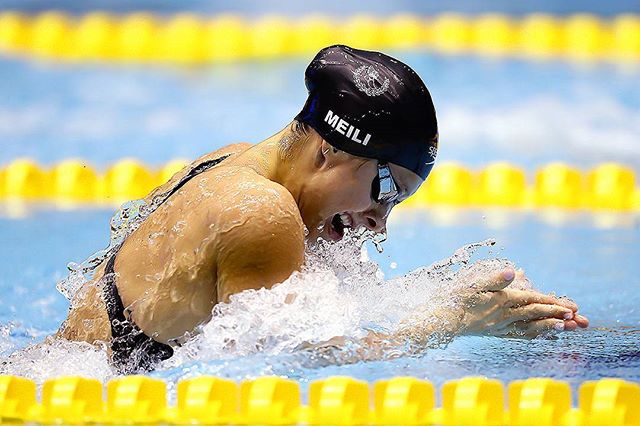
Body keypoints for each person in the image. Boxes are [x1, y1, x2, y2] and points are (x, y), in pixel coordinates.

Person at [57, 45, 588, 372]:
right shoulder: (262, 214)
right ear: (330, 149)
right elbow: (278, 364)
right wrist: (450, 320)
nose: (381, 220)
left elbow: (297, 321)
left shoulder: (225, 165)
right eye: (385, 189)